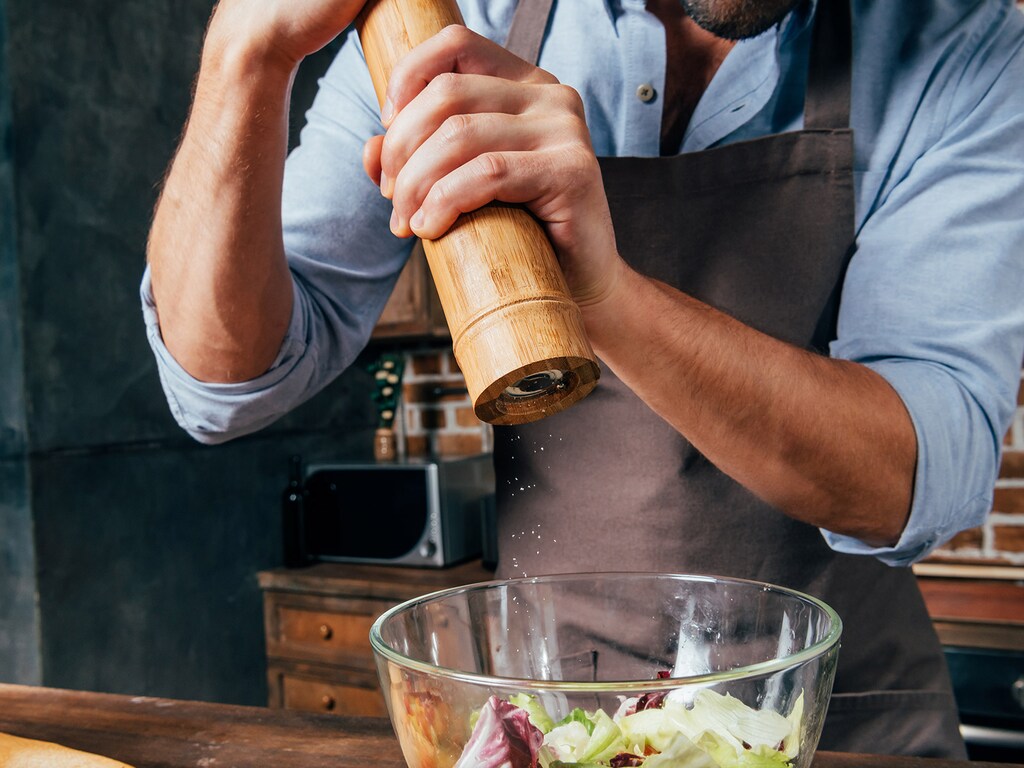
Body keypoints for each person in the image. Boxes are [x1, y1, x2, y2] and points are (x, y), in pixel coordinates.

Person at [142, 0, 1024, 757]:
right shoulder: (460, 17)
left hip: (830, 727)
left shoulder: (962, 45)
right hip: (557, 725)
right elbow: (224, 384)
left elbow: (913, 477)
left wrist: (607, 295)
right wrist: (245, 57)